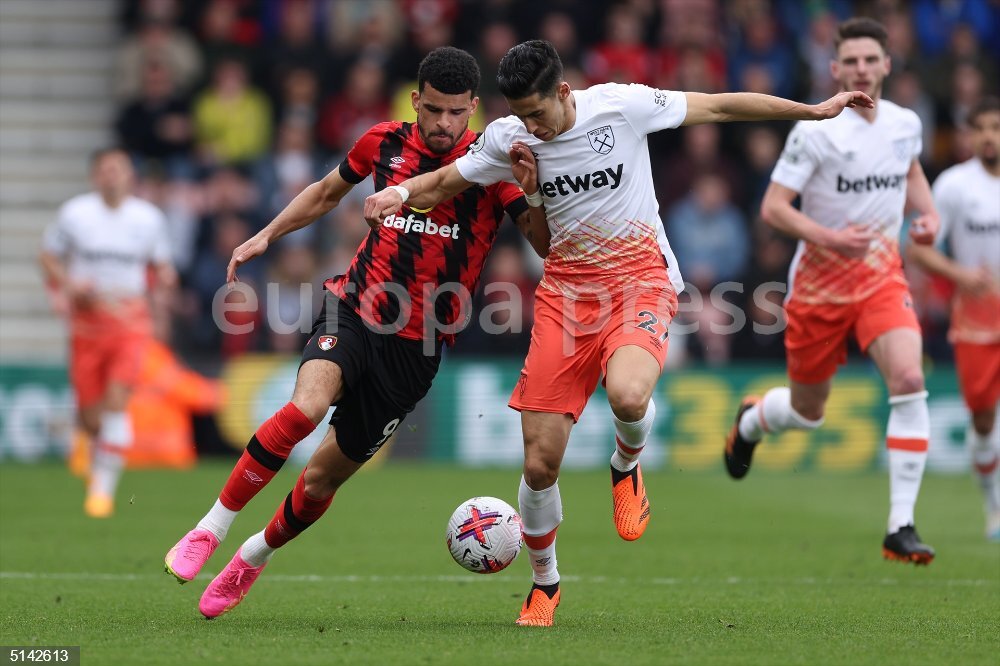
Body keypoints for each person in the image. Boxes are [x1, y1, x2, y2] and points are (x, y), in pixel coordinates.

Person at [364, 39, 872, 626]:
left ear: (563, 91)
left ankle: (625, 464)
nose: (532, 126)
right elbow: (446, 181)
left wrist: (812, 110)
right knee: (538, 465)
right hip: (564, 296)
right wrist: (397, 192)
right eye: (520, 115)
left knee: (629, 394)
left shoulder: (622, 105)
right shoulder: (510, 139)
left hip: (640, 281)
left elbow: (721, 107)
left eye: (538, 113)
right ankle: (545, 584)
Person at [161, 47, 549, 618]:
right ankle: (209, 528)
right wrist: (266, 235)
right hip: (356, 308)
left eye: (456, 113)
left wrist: (534, 190)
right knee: (303, 410)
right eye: (434, 110)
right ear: (416, 101)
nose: (444, 125)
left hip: (417, 350)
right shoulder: (383, 142)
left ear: (474, 108)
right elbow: (324, 193)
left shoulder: (489, 165)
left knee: (319, 480)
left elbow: (541, 244)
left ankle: (251, 556)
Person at [722, 18, 941, 565]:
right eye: (853, 61)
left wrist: (929, 211)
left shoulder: (905, 124)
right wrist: (830, 238)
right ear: (835, 68)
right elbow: (773, 208)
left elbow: (909, 169)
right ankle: (752, 420)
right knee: (808, 411)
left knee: (911, 379)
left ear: (888, 65)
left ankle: (901, 525)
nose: (863, 68)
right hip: (818, 287)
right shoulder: (815, 131)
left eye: (872, 59)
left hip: (880, 278)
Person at [40, 147, 176, 518]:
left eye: (119, 168)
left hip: (131, 321)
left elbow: (162, 267)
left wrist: (164, 285)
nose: (112, 175)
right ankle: (85, 437)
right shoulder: (75, 213)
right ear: (94, 176)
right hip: (87, 323)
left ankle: (102, 491)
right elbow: (48, 257)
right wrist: (67, 286)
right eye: (105, 169)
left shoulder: (148, 218)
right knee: (90, 414)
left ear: (130, 174)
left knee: (118, 400)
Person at [908, 96, 1000, 541]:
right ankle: (993, 507)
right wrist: (961, 273)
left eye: (996, 127)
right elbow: (918, 247)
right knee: (983, 418)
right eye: (980, 127)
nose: (989, 136)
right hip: (977, 318)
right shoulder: (953, 186)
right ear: (969, 134)